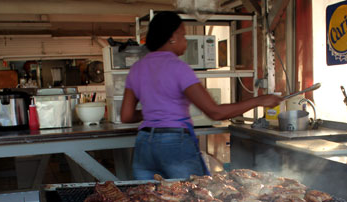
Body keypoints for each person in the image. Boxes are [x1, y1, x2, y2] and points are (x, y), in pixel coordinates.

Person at [120, 11, 282, 180]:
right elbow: (215, 112)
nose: (186, 41)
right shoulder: (179, 68)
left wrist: (154, 111)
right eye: (183, 35)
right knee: (194, 198)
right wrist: (260, 100)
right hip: (174, 143)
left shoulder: (137, 69)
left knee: (146, 201)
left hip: (144, 143)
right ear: (172, 37)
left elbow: (126, 116)